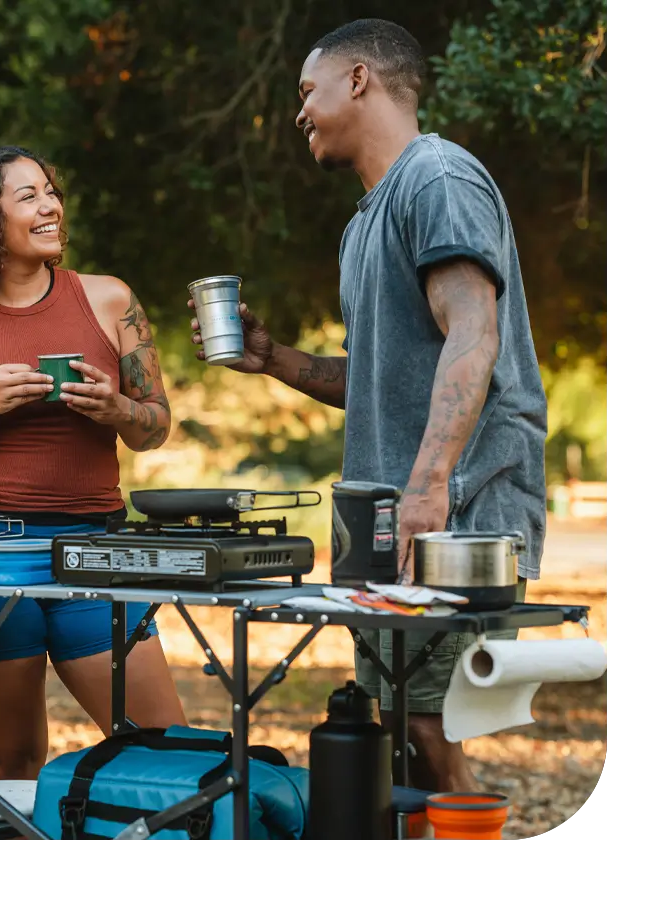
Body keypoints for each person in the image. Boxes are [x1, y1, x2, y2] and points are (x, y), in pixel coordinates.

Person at [189, 20, 547, 793]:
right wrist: (275, 360)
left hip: (463, 514)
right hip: (394, 520)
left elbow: (473, 336)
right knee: (391, 726)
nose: (300, 112)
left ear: (358, 80)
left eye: (306, 91)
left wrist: (426, 489)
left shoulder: (437, 179)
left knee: (429, 725)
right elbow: (381, 379)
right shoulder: (364, 224)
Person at [0, 145, 186, 781]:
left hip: (99, 549)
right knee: (11, 760)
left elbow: (156, 426)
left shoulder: (110, 300)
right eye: (28, 196)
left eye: (50, 190)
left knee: (164, 748)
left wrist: (115, 409)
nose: (51, 205)